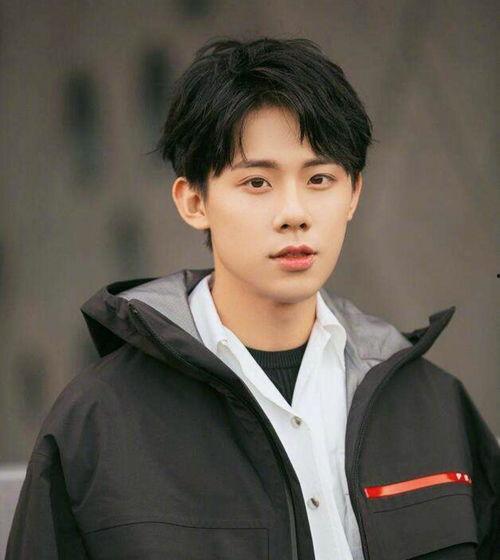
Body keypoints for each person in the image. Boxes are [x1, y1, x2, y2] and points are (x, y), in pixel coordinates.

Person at [6, 36, 499, 560]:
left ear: (353, 193)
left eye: (320, 178)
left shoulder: (434, 405)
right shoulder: (98, 421)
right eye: (258, 182)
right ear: (194, 201)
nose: (294, 213)